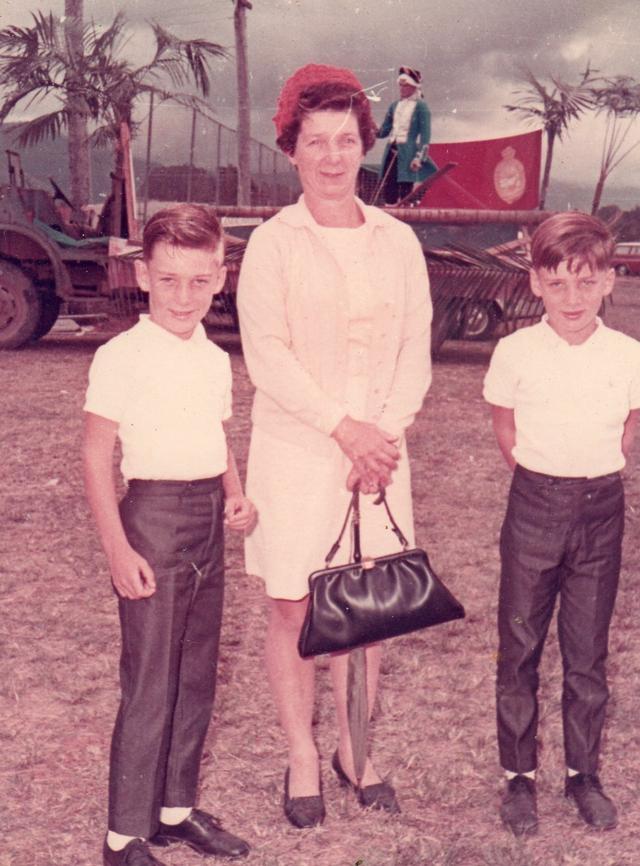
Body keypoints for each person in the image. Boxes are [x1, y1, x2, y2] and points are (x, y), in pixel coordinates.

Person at [237, 63, 432, 829]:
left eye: (345, 140)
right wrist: (343, 429)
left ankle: (356, 750)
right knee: (294, 607)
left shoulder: (397, 242)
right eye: (314, 141)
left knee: (367, 610)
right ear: (291, 149)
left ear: (364, 145)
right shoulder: (272, 245)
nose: (330, 156)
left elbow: (415, 346)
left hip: (380, 456)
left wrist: (381, 435)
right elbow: (268, 355)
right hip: (299, 452)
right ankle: (302, 756)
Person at [82, 204, 256, 866]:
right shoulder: (121, 355)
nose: (184, 295)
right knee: (151, 678)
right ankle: (124, 835)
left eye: (198, 279)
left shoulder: (213, 357)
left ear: (219, 277)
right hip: (152, 522)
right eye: (169, 280)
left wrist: (235, 494)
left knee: (195, 671)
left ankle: (174, 809)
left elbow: (217, 437)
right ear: (145, 277)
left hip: (208, 521)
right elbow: (97, 456)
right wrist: (119, 549)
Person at [483, 212, 640, 837]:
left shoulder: (628, 354)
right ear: (535, 284)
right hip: (534, 508)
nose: (572, 298)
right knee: (520, 646)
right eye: (558, 283)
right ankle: (518, 777)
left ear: (609, 280)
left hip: (601, 511)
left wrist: (587, 479)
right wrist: (543, 480)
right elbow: (505, 424)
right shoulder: (515, 351)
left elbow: (627, 429)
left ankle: (584, 773)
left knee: (586, 654)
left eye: (586, 282)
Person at [376, 66, 437, 205]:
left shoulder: (421, 107)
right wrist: (367, 128)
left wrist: (419, 158)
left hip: (408, 154)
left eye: (406, 85)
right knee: (389, 187)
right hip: (390, 152)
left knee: (405, 190)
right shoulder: (393, 106)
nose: (401, 89)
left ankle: (406, 216)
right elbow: (384, 131)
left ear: (414, 87)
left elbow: (425, 136)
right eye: (400, 85)